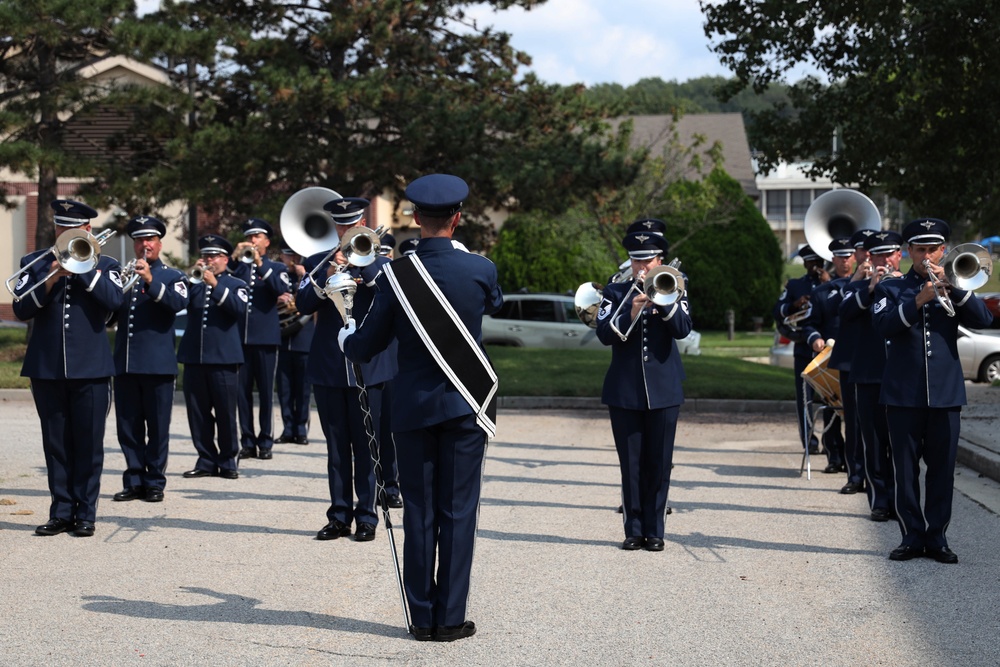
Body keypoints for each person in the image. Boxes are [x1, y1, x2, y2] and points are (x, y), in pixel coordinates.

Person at [341, 173, 503, 642]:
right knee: (458, 513)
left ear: (414, 217)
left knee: (420, 513)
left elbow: (367, 345)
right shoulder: (480, 268)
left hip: (411, 409)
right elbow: (490, 301)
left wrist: (346, 337)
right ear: (457, 217)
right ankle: (450, 618)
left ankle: (421, 618)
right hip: (465, 405)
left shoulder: (395, 274)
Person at [872, 218, 993, 563]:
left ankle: (937, 538)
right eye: (920, 249)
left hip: (946, 395)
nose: (927, 256)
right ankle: (911, 536)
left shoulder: (954, 284)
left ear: (943, 250)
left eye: (933, 249)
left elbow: (983, 319)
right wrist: (918, 300)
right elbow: (883, 326)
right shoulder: (891, 289)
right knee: (906, 470)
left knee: (942, 470)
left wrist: (954, 288)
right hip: (902, 395)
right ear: (909, 251)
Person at [13, 199, 125, 537]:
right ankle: (61, 511)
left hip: (91, 369)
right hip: (47, 368)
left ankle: (85, 513)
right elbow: (21, 310)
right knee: (56, 444)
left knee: (88, 444)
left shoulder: (106, 263)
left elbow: (115, 302)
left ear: (88, 230)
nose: (65, 233)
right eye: (61, 227)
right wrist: (50, 277)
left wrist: (83, 268)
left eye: (73, 229)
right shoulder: (34, 262)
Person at [295, 197, 398, 543]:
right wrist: (327, 275)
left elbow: (387, 294)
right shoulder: (317, 261)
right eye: (340, 226)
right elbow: (302, 304)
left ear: (362, 224)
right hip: (329, 368)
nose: (345, 232)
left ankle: (366, 515)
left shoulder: (379, 262)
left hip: (369, 367)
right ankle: (339, 515)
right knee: (336, 446)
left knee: (367, 446)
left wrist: (362, 265)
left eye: (351, 226)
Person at [595, 231, 692, 552]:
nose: (641, 265)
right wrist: (632, 310)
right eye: (637, 259)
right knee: (631, 464)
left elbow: (682, 329)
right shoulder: (614, 291)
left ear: (659, 261)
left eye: (648, 259)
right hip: (624, 391)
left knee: (659, 463)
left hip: (663, 391)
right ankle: (633, 529)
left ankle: (656, 530)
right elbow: (605, 335)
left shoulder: (675, 288)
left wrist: (664, 303)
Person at [110, 215, 189, 503]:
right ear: (134, 244)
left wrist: (150, 280)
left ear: (159, 243)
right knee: (128, 427)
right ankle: (133, 480)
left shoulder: (172, 276)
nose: (145, 245)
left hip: (158, 365)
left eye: (150, 239)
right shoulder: (123, 274)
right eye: (140, 240)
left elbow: (178, 303)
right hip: (126, 363)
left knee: (157, 427)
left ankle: (154, 481)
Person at [839, 230, 904, 516]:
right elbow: (843, 311)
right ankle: (880, 500)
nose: (885, 259)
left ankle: (903, 500)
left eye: (890, 253)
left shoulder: (913, 284)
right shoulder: (859, 287)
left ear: (899, 255)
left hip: (904, 375)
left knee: (902, 443)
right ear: (869, 256)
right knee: (874, 443)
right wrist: (870, 288)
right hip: (869, 375)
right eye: (879, 254)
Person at [177, 235, 249, 480]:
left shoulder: (236, 283)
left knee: (226, 412)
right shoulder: (194, 283)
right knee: (198, 413)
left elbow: (239, 310)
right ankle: (206, 459)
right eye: (206, 256)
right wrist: (191, 278)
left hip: (224, 359)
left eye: (214, 256)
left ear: (225, 259)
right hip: (194, 357)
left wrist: (215, 285)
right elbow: (179, 302)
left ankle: (228, 460)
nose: (209, 260)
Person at [233, 218, 290, 461]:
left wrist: (259, 264)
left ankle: (265, 441)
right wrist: (236, 259)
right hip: (240, 339)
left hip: (266, 339)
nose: (253, 241)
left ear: (266, 241)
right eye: (250, 236)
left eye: (257, 237)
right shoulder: (239, 268)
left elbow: (280, 288)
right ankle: (247, 441)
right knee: (242, 394)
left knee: (266, 393)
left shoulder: (276, 268)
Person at [825, 229, 874, 494]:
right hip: (851, 360)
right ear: (855, 255)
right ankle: (856, 474)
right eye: (862, 251)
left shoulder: (889, 279)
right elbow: (834, 310)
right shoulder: (837, 285)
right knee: (854, 420)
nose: (866, 255)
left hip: (880, 359)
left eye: (870, 251)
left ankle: (878, 476)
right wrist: (855, 281)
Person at [800, 238, 855, 474]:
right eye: (840, 257)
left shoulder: (870, 286)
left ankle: (856, 463)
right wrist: (815, 338)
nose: (844, 261)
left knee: (857, 416)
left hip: (858, 359)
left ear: (857, 257)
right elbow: (809, 324)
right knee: (831, 409)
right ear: (833, 259)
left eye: (849, 256)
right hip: (831, 359)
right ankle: (834, 457)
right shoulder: (822, 292)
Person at [773, 245, 829, 453]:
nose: (815, 266)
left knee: (831, 398)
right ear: (804, 263)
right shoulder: (795, 285)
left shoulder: (832, 282)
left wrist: (828, 284)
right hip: (804, 350)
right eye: (811, 261)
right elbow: (777, 311)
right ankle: (810, 442)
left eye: (819, 261)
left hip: (828, 349)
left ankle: (831, 444)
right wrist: (794, 305)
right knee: (805, 398)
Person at [274, 248, 313, 445]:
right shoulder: (278, 277)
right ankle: (288, 428)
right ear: (282, 256)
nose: (292, 259)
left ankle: (301, 429)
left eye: (295, 255)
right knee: (285, 389)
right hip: (282, 340)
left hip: (303, 339)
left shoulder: (307, 275)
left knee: (303, 389)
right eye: (288, 255)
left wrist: (304, 276)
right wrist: (277, 299)